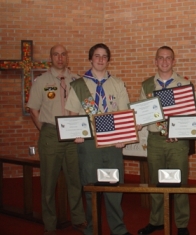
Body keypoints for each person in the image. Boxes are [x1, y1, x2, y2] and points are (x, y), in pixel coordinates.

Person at [65, 43, 132, 235]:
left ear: (108, 60)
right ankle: (92, 228)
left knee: (114, 186)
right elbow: (71, 113)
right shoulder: (79, 84)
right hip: (88, 143)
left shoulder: (117, 84)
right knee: (90, 186)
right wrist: (74, 133)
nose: (101, 59)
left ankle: (118, 229)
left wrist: (123, 138)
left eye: (104, 56)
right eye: (97, 56)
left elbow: (124, 113)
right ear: (91, 59)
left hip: (112, 143)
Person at [137, 46, 196, 235]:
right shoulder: (147, 85)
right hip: (155, 140)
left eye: (168, 58)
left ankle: (181, 224)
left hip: (178, 141)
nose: (164, 61)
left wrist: (182, 131)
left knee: (179, 182)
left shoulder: (185, 84)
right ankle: (157, 220)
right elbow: (142, 113)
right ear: (155, 61)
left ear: (174, 61)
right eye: (161, 58)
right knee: (156, 182)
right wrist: (137, 121)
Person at [27, 44, 87, 235]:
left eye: (63, 54)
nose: (60, 58)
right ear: (51, 57)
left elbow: (86, 107)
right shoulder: (41, 81)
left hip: (73, 135)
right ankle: (50, 224)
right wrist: (45, 129)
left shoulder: (77, 80)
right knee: (48, 182)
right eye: (56, 55)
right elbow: (33, 110)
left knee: (75, 179)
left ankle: (78, 219)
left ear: (67, 57)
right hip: (51, 134)